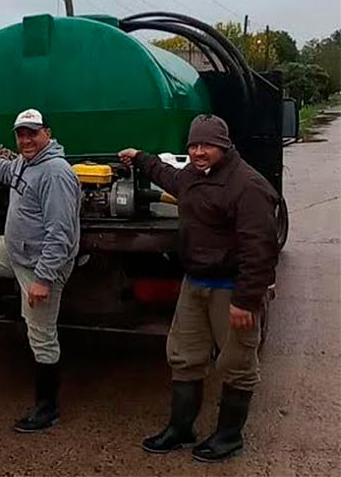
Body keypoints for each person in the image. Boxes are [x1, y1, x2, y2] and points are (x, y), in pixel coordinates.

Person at [118, 113, 278, 462]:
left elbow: (260, 247)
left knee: (236, 363)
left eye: (207, 145)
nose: (198, 152)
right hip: (195, 284)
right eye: (193, 145)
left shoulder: (248, 185)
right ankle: (181, 428)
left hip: (232, 289)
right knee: (184, 356)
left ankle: (229, 436)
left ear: (224, 145)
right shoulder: (192, 176)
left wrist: (247, 300)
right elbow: (169, 177)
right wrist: (140, 158)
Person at [0, 108, 81, 433]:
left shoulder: (55, 173)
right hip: (12, 251)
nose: (26, 139)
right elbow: (7, 170)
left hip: (39, 266)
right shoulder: (26, 163)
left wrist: (43, 279)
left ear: (47, 133)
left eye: (32, 133)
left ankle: (47, 409)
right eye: (21, 134)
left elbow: (61, 234)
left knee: (41, 337)